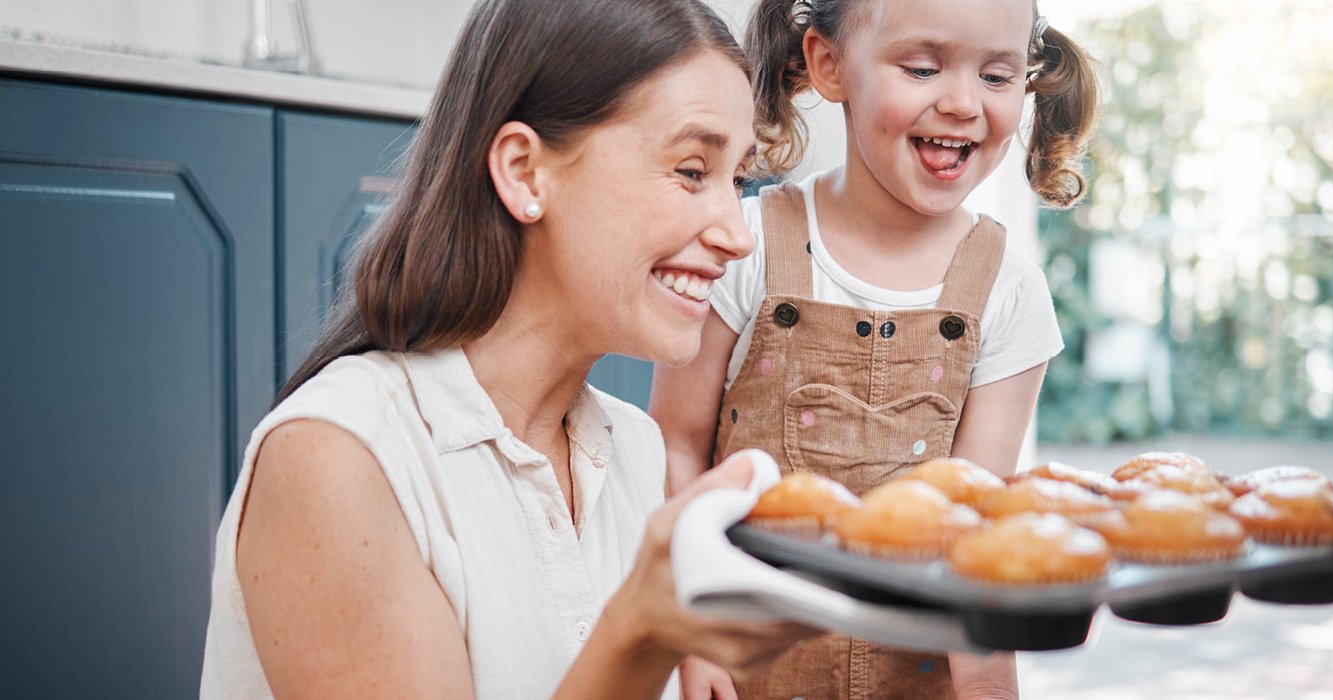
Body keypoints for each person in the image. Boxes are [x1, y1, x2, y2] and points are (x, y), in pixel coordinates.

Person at [199, 0, 818, 697]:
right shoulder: (340, 460)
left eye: (737, 181)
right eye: (690, 170)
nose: (737, 234)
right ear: (524, 171)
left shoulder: (634, 451)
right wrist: (640, 632)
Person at [648, 0, 1101, 696]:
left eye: (997, 75)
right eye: (922, 68)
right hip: (741, 672)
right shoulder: (744, 246)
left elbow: (976, 538)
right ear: (830, 65)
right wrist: (689, 643)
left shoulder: (1010, 295)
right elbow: (676, 446)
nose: (961, 103)